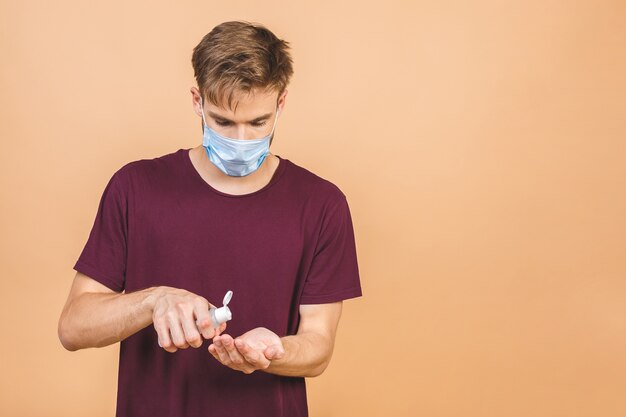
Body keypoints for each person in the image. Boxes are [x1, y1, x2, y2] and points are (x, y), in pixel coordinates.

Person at [57, 20, 362, 417]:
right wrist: (153, 301)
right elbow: (72, 328)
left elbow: (318, 347)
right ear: (198, 101)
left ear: (281, 105)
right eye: (222, 122)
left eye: (258, 123)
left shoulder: (322, 204)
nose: (240, 142)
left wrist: (275, 350)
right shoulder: (135, 188)